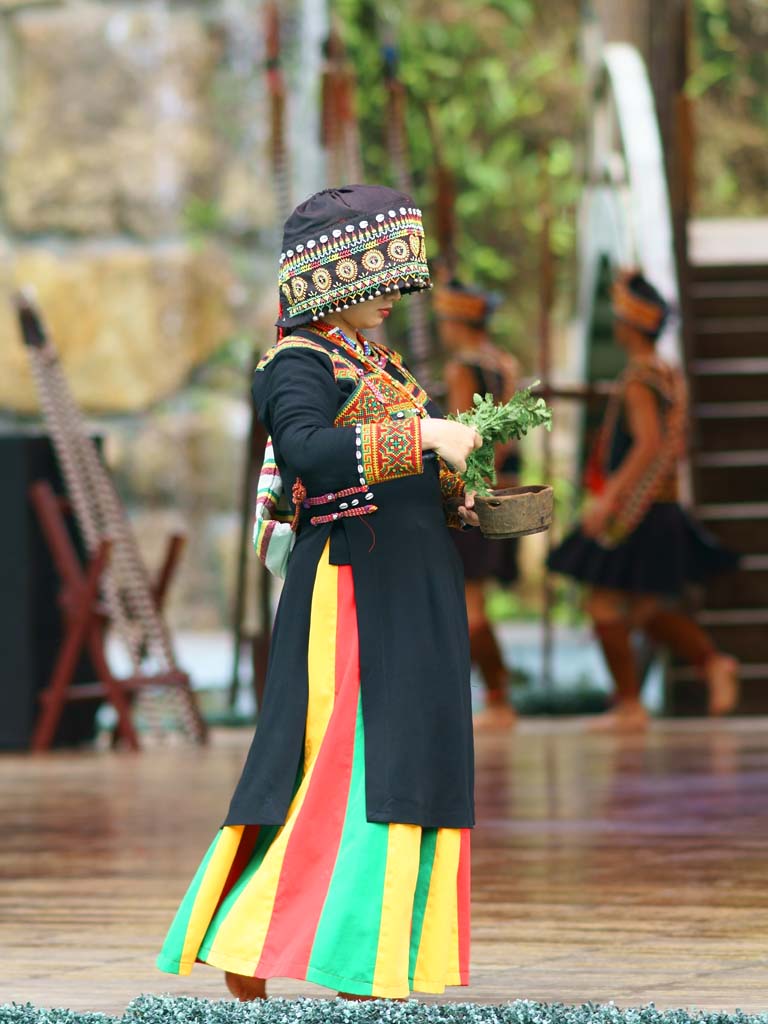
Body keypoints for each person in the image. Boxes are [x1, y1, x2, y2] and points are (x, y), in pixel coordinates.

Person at [156, 185, 482, 1001]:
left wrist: (450, 489)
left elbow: (382, 463)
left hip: (410, 581)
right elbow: (306, 450)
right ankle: (264, 938)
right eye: (382, 272)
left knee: (411, 758)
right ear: (337, 274)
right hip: (352, 585)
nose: (396, 288)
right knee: (353, 763)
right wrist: (424, 434)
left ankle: (369, 954)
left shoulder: (378, 364)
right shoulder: (297, 361)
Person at [548, 270, 739, 731]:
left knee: (602, 605)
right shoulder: (668, 372)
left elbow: (648, 443)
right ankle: (710, 662)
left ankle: (631, 704)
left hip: (639, 509)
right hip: (663, 503)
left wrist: (608, 499)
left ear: (630, 326)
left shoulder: (639, 377)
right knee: (644, 610)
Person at [436, 279, 521, 729]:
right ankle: (496, 695)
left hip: (472, 493)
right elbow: (504, 436)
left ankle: (497, 698)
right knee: (474, 602)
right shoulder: (504, 363)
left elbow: (459, 437)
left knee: (470, 606)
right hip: (502, 490)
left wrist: (459, 487)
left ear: (459, 321)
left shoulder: (462, 369)